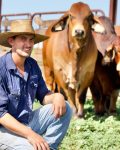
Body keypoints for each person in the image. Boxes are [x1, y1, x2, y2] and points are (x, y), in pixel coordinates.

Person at [0, 19, 72, 150]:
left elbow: (43, 95)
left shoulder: (32, 65)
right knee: (31, 148)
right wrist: (30, 134)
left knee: (66, 109)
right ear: (11, 41)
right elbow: (1, 114)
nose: (28, 44)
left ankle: (48, 147)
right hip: (3, 130)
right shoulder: (1, 69)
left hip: (27, 122)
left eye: (31, 40)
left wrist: (57, 96)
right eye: (23, 39)